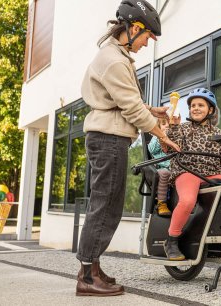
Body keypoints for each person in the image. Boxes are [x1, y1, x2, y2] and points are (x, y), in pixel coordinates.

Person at [74, 0, 180, 297]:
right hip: (108, 140)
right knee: (105, 206)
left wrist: (152, 111)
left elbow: (125, 103)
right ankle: (86, 275)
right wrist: (162, 133)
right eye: (147, 37)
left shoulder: (115, 56)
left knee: (107, 204)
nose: (147, 44)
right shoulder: (115, 60)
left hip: (110, 138)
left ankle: (92, 267)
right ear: (134, 28)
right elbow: (131, 108)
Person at [163, 88, 221, 261]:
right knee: (187, 201)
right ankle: (171, 240)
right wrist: (172, 126)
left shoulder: (217, 133)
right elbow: (171, 146)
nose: (196, 108)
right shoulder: (183, 129)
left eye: (200, 105)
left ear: (210, 110)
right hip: (187, 171)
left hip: (211, 173)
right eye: (193, 105)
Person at [147, 120, 173, 216]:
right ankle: (161, 204)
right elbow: (151, 149)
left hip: (174, 168)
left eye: (169, 125)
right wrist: (161, 136)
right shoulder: (155, 137)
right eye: (163, 124)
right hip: (160, 168)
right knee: (164, 173)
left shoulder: (174, 138)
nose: (167, 126)